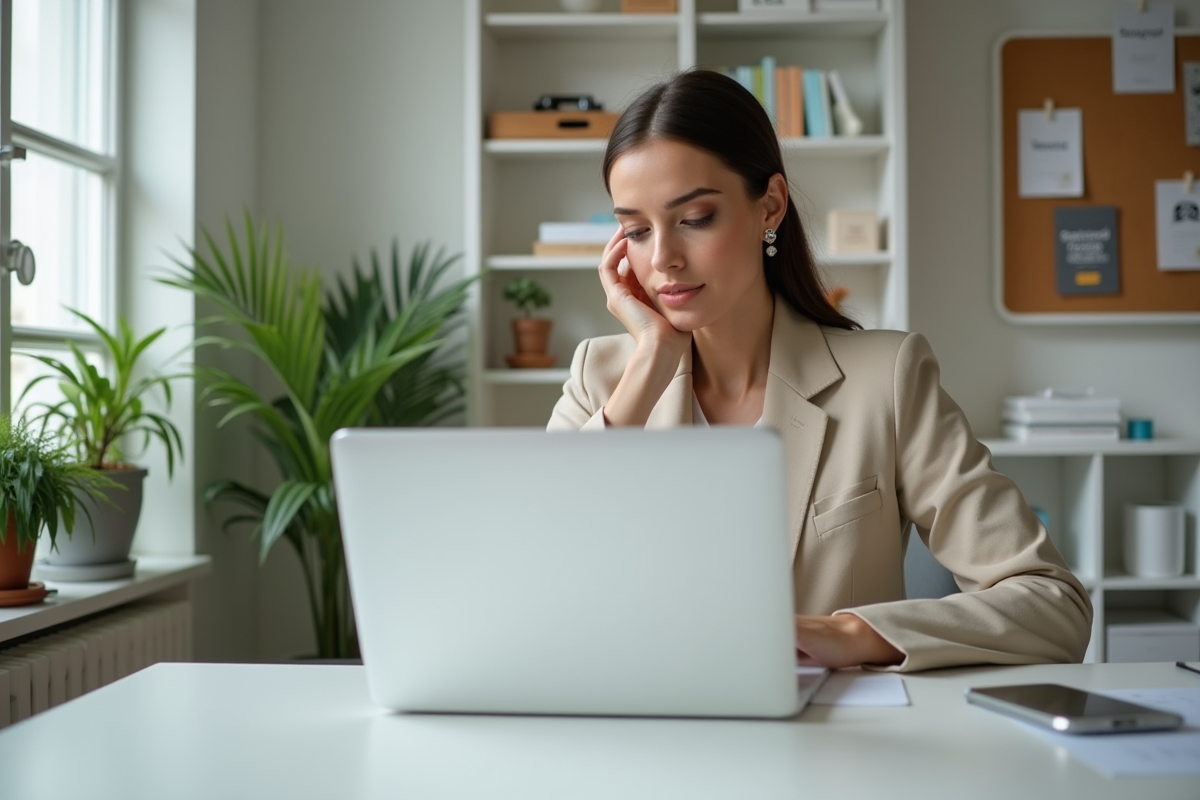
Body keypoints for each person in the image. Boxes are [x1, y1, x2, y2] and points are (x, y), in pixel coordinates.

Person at [546, 70, 1092, 672]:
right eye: (636, 230)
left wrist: (855, 634)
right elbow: (532, 584)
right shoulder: (601, 378)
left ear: (770, 206)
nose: (663, 259)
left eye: (695, 218)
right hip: (638, 735)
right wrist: (649, 362)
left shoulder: (887, 378)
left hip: (828, 747)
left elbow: (1053, 605)